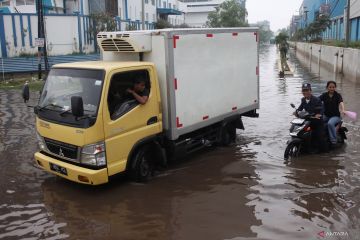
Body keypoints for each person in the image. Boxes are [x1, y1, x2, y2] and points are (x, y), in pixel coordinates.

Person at [295, 83, 327, 152]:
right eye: (303, 90)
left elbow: (322, 109)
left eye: (307, 90)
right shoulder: (303, 100)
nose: (305, 92)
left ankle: (324, 152)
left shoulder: (316, 100)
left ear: (310, 91)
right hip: (307, 120)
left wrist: (319, 114)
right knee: (299, 131)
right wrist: (296, 112)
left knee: (320, 136)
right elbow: (300, 108)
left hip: (317, 121)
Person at [319, 81, 345, 146]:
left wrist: (343, 110)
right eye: (330, 87)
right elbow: (316, 100)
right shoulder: (324, 95)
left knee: (330, 123)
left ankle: (333, 140)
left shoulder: (337, 95)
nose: (331, 88)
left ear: (335, 88)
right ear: (327, 88)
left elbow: (341, 102)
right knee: (317, 122)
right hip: (326, 115)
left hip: (335, 116)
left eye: (333, 87)